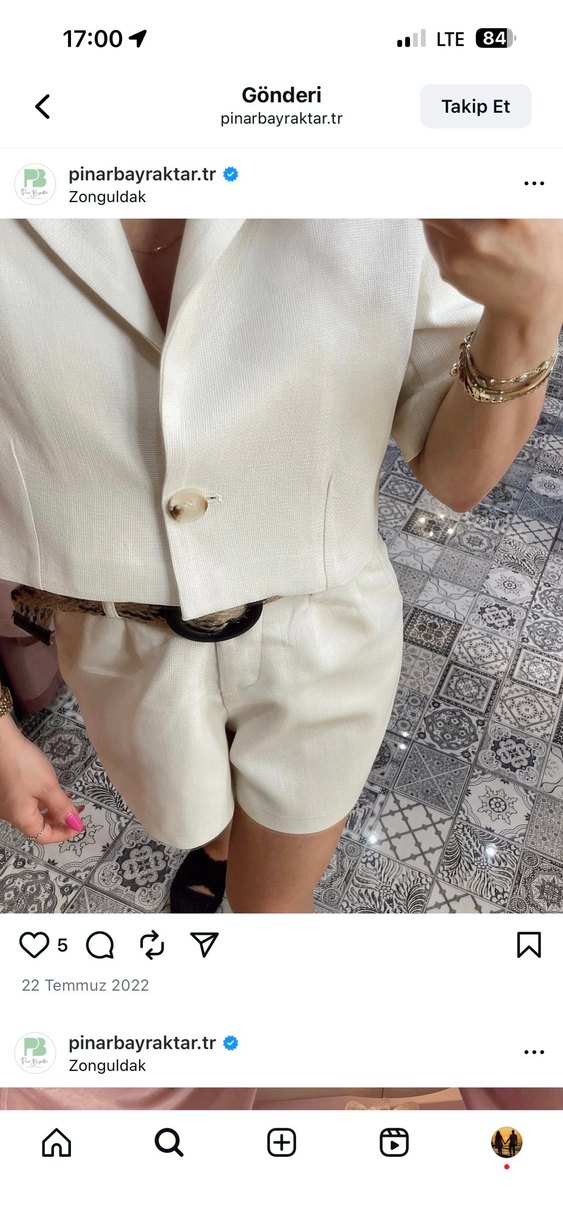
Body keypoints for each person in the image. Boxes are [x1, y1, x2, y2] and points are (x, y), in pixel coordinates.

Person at [0, 219, 562, 912]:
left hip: (324, 626)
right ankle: (217, 851)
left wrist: (528, 311)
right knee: (198, 825)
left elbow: (455, 476)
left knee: (271, 913)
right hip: (116, 648)